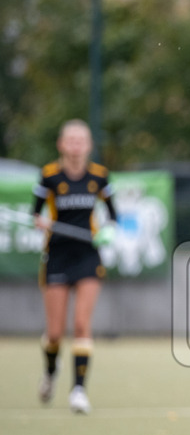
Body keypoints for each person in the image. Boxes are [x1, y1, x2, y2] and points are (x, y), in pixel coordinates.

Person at [32, 119, 118, 414]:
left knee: (82, 324)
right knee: (55, 332)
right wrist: (41, 221)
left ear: (89, 145)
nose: (76, 145)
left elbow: (113, 215)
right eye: (71, 140)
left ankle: (78, 390)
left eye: (81, 140)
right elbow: (35, 214)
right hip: (56, 254)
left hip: (87, 255)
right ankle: (50, 373)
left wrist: (108, 230)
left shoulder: (100, 177)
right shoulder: (49, 176)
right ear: (61, 144)